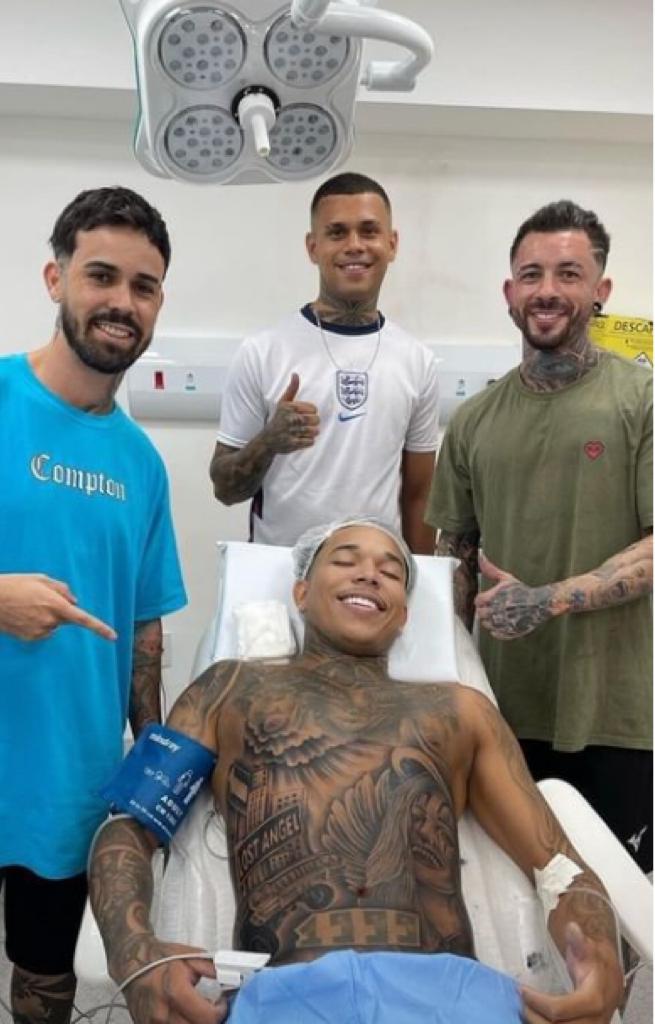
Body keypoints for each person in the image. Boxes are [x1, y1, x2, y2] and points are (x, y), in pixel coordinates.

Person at [89, 519, 623, 1024]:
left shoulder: (462, 712)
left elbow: (558, 865)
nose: (369, 574)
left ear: (405, 614)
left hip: (450, 998)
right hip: (284, 995)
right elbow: (128, 827)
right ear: (301, 593)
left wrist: (602, 962)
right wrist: (133, 952)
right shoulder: (226, 689)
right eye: (345, 561)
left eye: (391, 571)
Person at [0, 187, 187, 1024]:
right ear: (56, 278)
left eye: (143, 286)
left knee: (45, 986)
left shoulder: (141, 463)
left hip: (69, 781)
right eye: (101, 276)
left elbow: (144, 624)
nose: (122, 302)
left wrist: (155, 755)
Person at [426, 200, 653, 872]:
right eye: (531, 274)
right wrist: (445, 690)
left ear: (600, 290)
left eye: (568, 273)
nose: (547, 290)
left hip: (615, 719)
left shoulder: (641, 400)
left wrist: (547, 599)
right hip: (499, 720)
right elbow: (453, 562)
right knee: (512, 907)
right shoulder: (472, 421)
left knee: (619, 909)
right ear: (509, 291)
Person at [209, 172, 439, 553]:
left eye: (369, 231)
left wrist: (420, 582)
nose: (354, 246)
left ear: (392, 244)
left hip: (374, 576)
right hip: (279, 574)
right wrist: (268, 441)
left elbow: (419, 496)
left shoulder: (418, 362)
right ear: (313, 247)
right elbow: (224, 489)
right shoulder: (262, 352)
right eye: (337, 233)